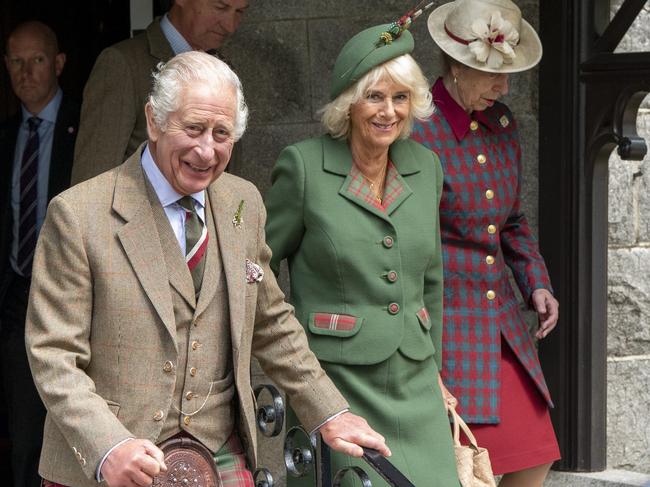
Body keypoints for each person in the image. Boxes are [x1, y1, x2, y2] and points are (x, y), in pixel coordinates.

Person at [25, 51, 389, 487]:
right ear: (154, 121)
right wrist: (107, 446)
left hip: (218, 454)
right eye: (194, 128)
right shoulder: (78, 214)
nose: (206, 150)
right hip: (111, 464)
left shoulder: (243, 202)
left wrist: (329, 410)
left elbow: (271, 322)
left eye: (222, 134)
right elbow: (53, 356)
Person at [264, 18, 460, 487]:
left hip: (417, 385)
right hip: (337, 385)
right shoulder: (305, 166)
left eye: (400, 97)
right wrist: (296, 367)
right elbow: (259, 270)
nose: (388, 111)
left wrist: (435, 368)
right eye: (374, 96)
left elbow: (430, 279)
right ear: (349, 103)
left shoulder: (426, 166)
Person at [411, 1, 561, 485]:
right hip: (446, 329)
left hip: (501, 327)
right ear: (456, 67)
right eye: (492, 75)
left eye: (508, 75)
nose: (504, 87)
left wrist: (535, 282)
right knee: (467, 470)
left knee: (535, 454)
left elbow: (512, 220)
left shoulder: (502, 123)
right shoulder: (416, 129)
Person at [0, 21, 79, 487]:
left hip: (70, 293)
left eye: (37, 60)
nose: (25, 72)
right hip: (16, 297)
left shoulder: (85, 124)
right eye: (15, 60)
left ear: (59, 63)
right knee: (25, 433)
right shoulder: (6, 136)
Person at [71, 0, 249, 184]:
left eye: (240, 12)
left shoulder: (224, 68)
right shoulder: (123, 63)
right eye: (220, 7)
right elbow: (92, 180)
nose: (230, 26)